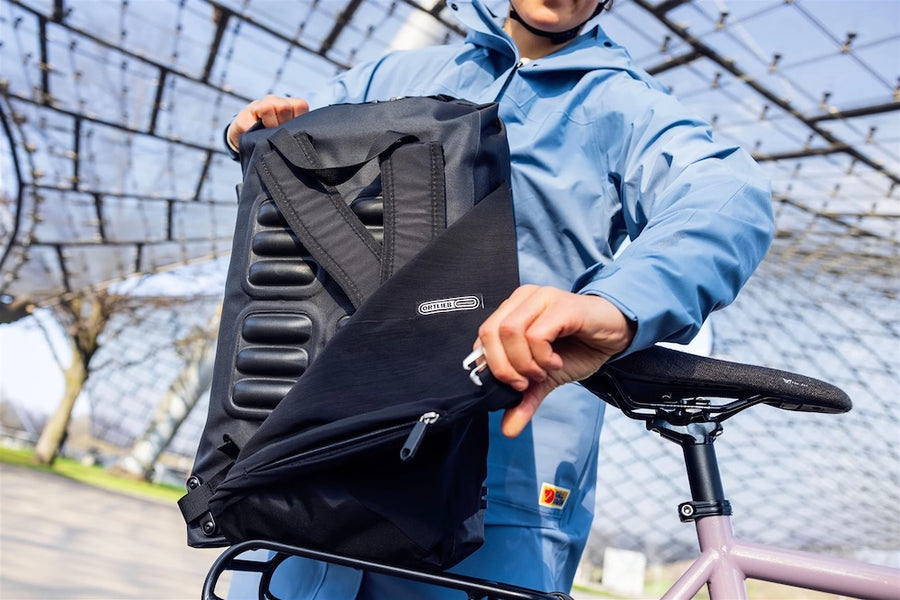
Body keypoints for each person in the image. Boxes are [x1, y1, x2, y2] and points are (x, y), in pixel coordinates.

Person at [223, 0, 774, 597]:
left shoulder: (623, 106)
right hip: (329, 439)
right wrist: (265, 132)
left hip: (504, 468)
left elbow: (726, 196)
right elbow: (295, 174)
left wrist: (617, 303)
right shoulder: (389, 77)